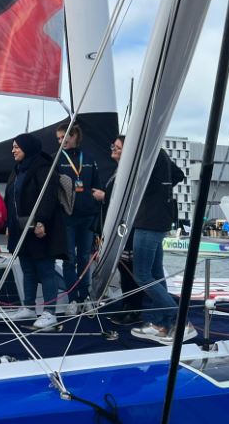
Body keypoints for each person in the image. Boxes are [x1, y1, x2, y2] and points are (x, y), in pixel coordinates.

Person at [127, 148, 195, 344]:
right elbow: (178, 174)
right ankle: (162, 324)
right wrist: (160, 190)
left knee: (142, 274)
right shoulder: (159, 151)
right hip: (160, 218)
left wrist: (151, 192)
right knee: (156, 274)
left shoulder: (144, 154)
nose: (114, 150)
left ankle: (181, 321)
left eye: (117, 147)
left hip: (147, 220)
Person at [4, 133, 66, 330]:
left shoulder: (43, 168)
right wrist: (10, 224)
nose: (13, 150)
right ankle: (29, 307)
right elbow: (11, 199)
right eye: (13, 146)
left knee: (45, 269)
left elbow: (48, 197)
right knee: (27, 268)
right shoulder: (17, 170)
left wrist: (40, 221)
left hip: (40, 228)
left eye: (17, 147)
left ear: (28, 148)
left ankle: (50, 313)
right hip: (20, 228)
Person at [91, 136, 143, 327]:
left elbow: (126, 198)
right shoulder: (119, 171)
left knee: (131, 270)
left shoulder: (130, 172)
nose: (113, 149)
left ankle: (134, 309)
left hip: (128, 228)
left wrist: (104, 196)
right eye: (113, 146)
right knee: (123, 268)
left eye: (118, 147)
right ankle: (127, 305)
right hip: (117, 228)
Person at [55, 123, 102, 315]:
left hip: (87, 217)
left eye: (64, 137)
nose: (61, 141)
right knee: (69, 259)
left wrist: (94, 203)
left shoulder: (89, 158)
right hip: (67, 218)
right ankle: (72, 299)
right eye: (58, 139)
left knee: (84, 258)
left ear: (74, 135)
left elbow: (97, 186)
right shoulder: (57, 159)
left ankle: (86, 298)